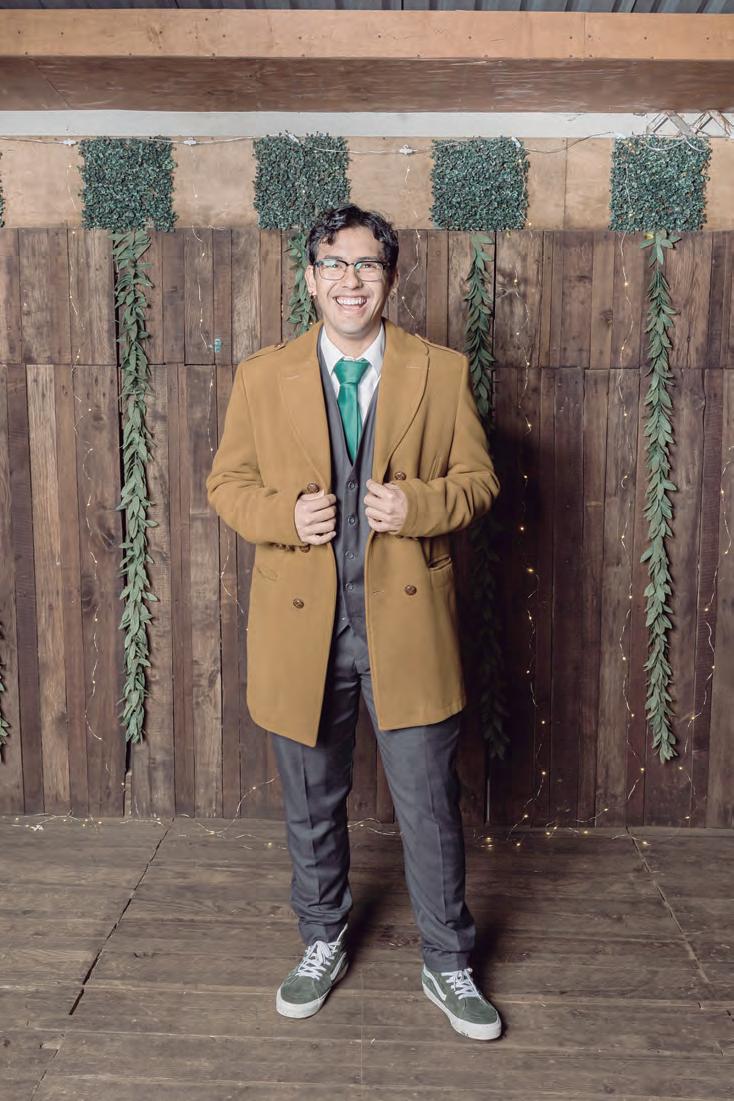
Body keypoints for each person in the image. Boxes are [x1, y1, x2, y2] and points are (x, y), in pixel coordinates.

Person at [206, 204, 502, 1041]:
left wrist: (419, 505)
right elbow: (226, 483)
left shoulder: (440, 371)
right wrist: (282, 516)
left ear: (390, 277)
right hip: (301, 631)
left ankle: (447, 960)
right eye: (334, 264)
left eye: (367, 264)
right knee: (310, 801)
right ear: (310, 278)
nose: (351, 280)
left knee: (430, 804)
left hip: (407, 627)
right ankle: (321, 938)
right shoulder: (262, 376)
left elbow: (479, 480)